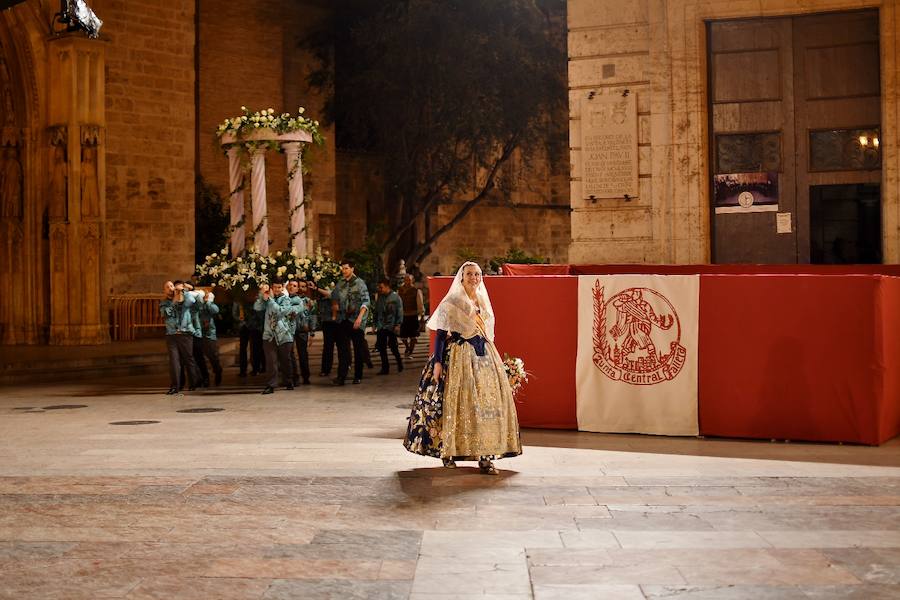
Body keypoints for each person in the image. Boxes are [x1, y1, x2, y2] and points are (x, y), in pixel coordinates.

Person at [403, 262, 521, 475]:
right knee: (459, 404)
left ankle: (486, 456)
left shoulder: (483, 300)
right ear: (461, 277)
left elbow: (485, 331)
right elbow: (440, 335)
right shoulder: (452, 301)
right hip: (459, 355)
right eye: (469, 274)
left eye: (477, 274)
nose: (474, 277)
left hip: (484, 356)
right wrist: (438, 363)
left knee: (487, 406)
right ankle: (448, 452)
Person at [254, 278, 298, 394]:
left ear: (282, 287)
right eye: (275, 287)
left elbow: (279, 312)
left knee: (285, 360)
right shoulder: (268, 299)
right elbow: (257, 308)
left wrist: (270, 301)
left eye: (279, 287)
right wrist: (261, 296)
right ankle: (271, 384)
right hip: (269, 335)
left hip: (284, 334)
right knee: (271, 361)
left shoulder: (286, 300)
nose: (277, 290)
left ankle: (288, 380)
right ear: (271, 287)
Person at [331, 259, 370, 385]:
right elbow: (334, 297)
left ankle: (358, 375)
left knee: (358, 349)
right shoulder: (340, 283)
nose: (344, 270)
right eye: (342, 268)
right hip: (343, 319)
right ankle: (341, 377)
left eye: (346, 268)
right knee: (343, 350)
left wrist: (360, 318)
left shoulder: (360, 283)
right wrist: (335, 312)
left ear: (352, 269)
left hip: (355, 320)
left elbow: (366, 301)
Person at [159, 280, 201, 395]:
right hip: (171, 335)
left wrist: (184, 290)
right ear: (164, 291)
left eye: (171, 285)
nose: (170, 288)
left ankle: (194, 383)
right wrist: (174, 301)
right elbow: (165, 313)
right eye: (167, 287)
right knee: (174, 361)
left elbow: (193, 301)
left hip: (185, 333)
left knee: (188, 359)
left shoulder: (185, 298)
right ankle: (175, 386)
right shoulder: (164, 303)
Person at [373, 278, 404, 375]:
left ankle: (399, 363)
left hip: (391, 326)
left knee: (393, 346)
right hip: (381, 326)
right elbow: (376, 311)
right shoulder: (380, 297)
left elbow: (399, 311)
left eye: (381, 287)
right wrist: (374, 324)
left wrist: (398, 324)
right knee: (382, 348)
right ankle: (385, 368)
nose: (380, 289)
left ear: (387, 286)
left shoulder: (395, 297)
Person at [287, 279, 312, 386]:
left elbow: (310, 315)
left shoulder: (306, 300)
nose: (299, 288)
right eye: (291, 285)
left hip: (302, 330)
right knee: (290, 353)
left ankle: (306, 377)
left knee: (303, 354)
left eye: (302, 286)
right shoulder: (285, 299)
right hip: (289, 330)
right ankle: (294, 377)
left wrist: (312, 332)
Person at [310, 281, 338, 377]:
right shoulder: (319, 297)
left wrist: (317, 288)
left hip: (337, 321)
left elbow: (331, 295)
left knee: (341, 345)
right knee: (327, 346)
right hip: (326, 322)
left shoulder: (333, 289)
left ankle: (346, 365)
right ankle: (325, 369)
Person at [197, 289, 223, 386]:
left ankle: (218, 371)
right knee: (199, 358)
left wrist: (208, 302)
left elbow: (216, 310)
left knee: (212, 356)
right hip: (197, 333)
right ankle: (204, 378)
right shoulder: (196, 305)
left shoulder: (208, 304)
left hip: (208, 334)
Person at [398, 274, 425, 357]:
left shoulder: (416, 290)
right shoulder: (400, 290)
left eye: (409, 280)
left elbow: (420, 303)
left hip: (413, 315)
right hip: (403, 315)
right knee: (403, 335)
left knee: (413, 335)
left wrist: (422, 315)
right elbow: (398, 302)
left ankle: (410, 351)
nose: (407, 281)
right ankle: (407, 347)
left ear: (412, 280)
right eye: (406, 280)